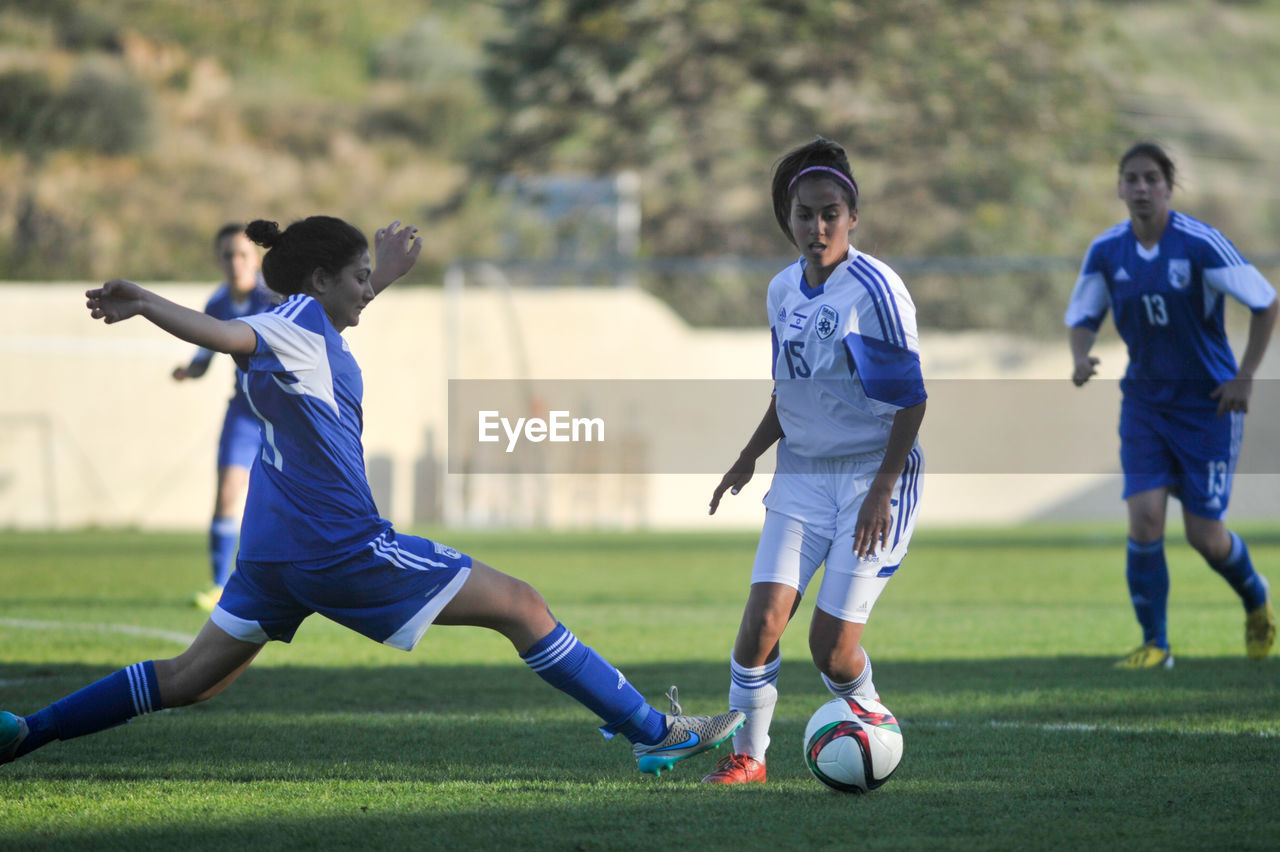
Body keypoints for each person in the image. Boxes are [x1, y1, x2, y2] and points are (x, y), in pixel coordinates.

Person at [1, 216, 743, 775]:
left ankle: (25, 733)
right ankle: (654, 733)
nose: (367, 289)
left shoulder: (308, 322)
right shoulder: (287, 327)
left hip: (274, 552)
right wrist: (147, 303)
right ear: (320, 279)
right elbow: (225, 333)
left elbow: (312, 320)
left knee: (189, 680)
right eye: (357, 276)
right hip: (339, 545)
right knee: (522, 605)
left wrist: (381, 270)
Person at [703, 138, 926, 784]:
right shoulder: (781, 292)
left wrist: (883, 491)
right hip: (802, 473)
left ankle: (869, 720)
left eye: (831, 213)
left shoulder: (875, 291)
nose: (817, 226)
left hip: (873, 476)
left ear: (853, 216)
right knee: (760, 625)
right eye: (805, 214)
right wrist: (748, 457)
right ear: (789, 218)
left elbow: (911, 402)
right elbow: (791, 390)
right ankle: (750, 755)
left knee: (829, 649)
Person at [1066, 141, 1278, 669]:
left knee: (1206, 538)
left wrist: (1244, 378)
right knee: (1145, 519)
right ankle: (1155, 644)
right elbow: (1083, 315)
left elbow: (1267, 302)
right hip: (1143, 404)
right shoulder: (1107, 250)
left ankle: (1256, 599)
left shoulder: (1200, 244)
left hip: (1207, 405)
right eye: (1131, 179)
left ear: (1168, 186)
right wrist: (1080, 356)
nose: (1140, 188)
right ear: (1119, 187)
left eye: (1151, 179)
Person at [173, 223, 278, 611]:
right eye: (228, 255)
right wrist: (188, 371)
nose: (236, 263)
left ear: (256, 259)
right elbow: (203, 357)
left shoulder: (275, 297)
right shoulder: (217, 303)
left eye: (243, 255)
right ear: (219, 260)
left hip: (284, 413)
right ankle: (220, 585)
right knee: (228, 494)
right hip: (244, 412)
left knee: (283, 501)